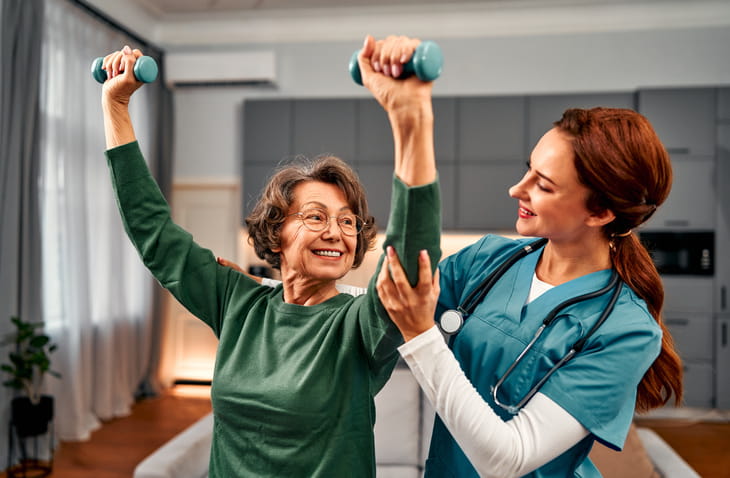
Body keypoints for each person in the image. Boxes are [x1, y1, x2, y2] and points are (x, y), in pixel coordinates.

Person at [99, 37, 440, 477]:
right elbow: (154, 233)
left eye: (349, 221)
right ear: (276, 233)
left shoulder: (359, 325)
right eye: (315, 217)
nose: (336, 232)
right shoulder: (238, 303)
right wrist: (115, 104)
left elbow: (410, 262)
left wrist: (411, 119)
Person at [375, 105, 684, 477]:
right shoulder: (487, 261)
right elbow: (387, 306)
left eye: (544, 185)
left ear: (600, 212)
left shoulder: (624, 330)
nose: (516, 189)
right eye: (529, 170)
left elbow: (509, 459)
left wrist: (421, 334)